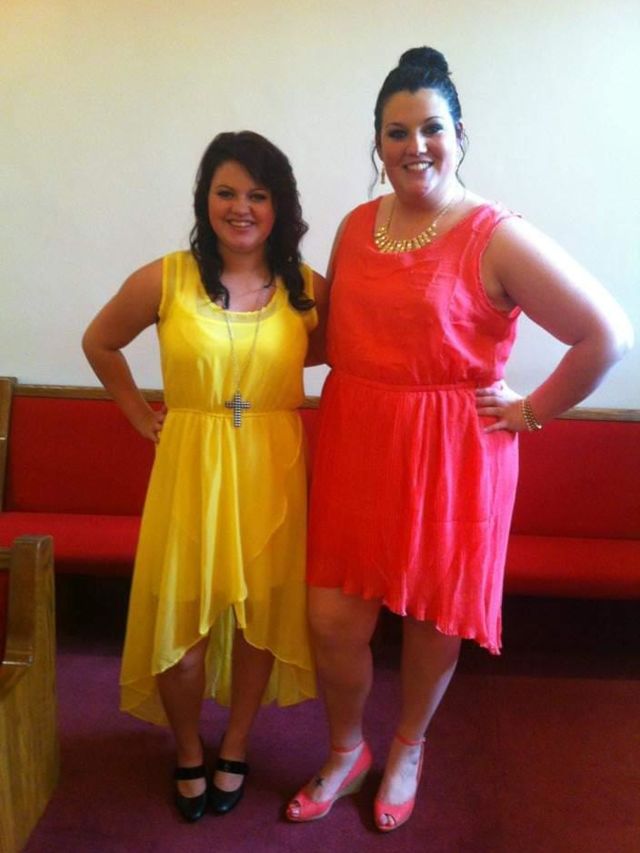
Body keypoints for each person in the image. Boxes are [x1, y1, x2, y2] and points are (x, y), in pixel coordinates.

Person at [286, 47, 633, 832]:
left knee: (432, 620)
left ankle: (409, 743)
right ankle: (347, 748)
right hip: (357, 443)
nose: (415, 146)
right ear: (378, 143)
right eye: (397, 131)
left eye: (432, 128)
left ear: (460, 135)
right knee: (334, 620)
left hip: (454, 456)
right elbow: (331, 338)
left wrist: (533, 409)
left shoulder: (494, 234)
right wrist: (239, 314)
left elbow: (607, 334)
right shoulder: (354, 226)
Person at [82, 130, 327, 822]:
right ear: (205, 199)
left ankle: (236, 744)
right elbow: (100, 340)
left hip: (272, 465)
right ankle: (188, 747)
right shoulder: (165, 277)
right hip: (190, 467)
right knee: (181, 634)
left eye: (258, 194)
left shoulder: (306, 287)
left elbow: (335, 350)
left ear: (279, 207)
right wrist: (140, 415)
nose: (241, 207)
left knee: (258, 624)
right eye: (226, 192)